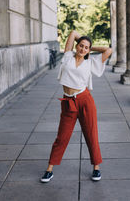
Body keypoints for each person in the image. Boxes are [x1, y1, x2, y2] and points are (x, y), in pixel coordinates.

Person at [40, 30, 112, 183]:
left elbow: (108, 50)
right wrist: (83, 40)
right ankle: (49, 169)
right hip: (68, 102)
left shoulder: (90, 62)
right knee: (62, 136)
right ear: (76, 46)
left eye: (86, 47)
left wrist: (91, 48)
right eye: (81, 46)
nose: (83, 49)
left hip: (85, 100)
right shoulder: (67, 57)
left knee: (91, 134)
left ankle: (96, 167)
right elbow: (72, 33)